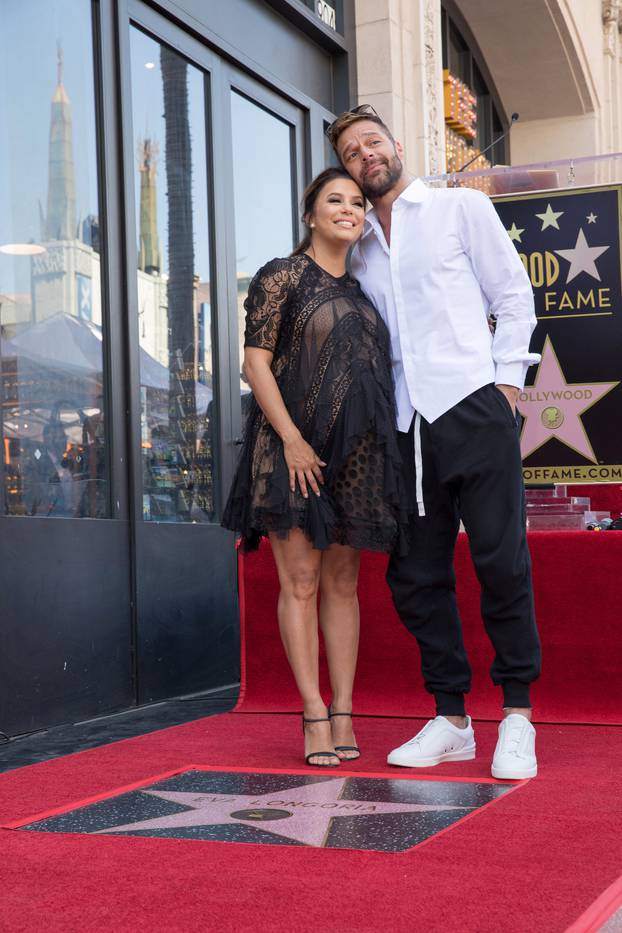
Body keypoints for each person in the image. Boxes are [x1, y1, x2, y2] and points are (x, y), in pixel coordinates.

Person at [327, 105, 542, 780]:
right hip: (404, 427)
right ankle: (452, 717)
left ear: (395, 145)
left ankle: (516, 715)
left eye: (372, 142)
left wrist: (505, 389)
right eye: (352, 152)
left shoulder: (458, 211)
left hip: (473, 408)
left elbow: (513, 296)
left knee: (500, 562)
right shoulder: (357, 247)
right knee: (416, 575)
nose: (366, 155)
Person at [222, 167, 407, 768]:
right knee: (299, 583)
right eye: (336, 200)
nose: (350, 209)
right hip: (291, 452)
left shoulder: (362, 290)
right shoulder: (282, 275)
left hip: (355, 460)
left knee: (343, 585)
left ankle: (346, 708)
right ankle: (312, 712)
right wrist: (294, 441)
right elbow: (255, 364)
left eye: (357, 202)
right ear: (310, 214)